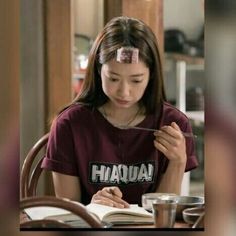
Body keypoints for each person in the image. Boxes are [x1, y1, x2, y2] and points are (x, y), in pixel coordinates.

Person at [41, 16, 198, 208]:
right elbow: (69, 212)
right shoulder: (69, 124)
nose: (124, 92)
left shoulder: (173, 124)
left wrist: (178, 161)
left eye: (136, 80)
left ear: (152, 74)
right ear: (99, 71)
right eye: (113, 78)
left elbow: (163, 213)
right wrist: (92, 205)